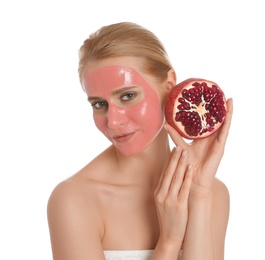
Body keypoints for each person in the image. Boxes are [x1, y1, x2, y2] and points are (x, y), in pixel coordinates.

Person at [47, 22, 233, 260]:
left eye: (128, 96)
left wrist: (199, 196)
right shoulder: (74, 200)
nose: (113, 122)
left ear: (169, 84)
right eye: (99, 104)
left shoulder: (212, 193)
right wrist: (169, 242)